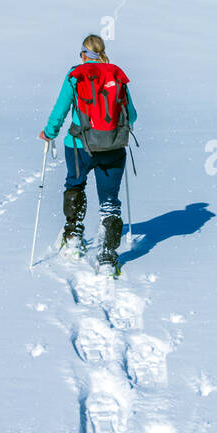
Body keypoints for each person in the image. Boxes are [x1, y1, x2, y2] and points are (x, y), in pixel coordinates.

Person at [40, 34, 137, 269]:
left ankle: (73, 239)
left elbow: (61, 109)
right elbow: (131, 115)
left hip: (78, 146)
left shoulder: (75, 75)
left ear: (83, 53)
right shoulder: (116, 75)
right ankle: (107, 255)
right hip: (113, 146)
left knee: (75, 185)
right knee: (110, 201)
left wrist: (49, 132)